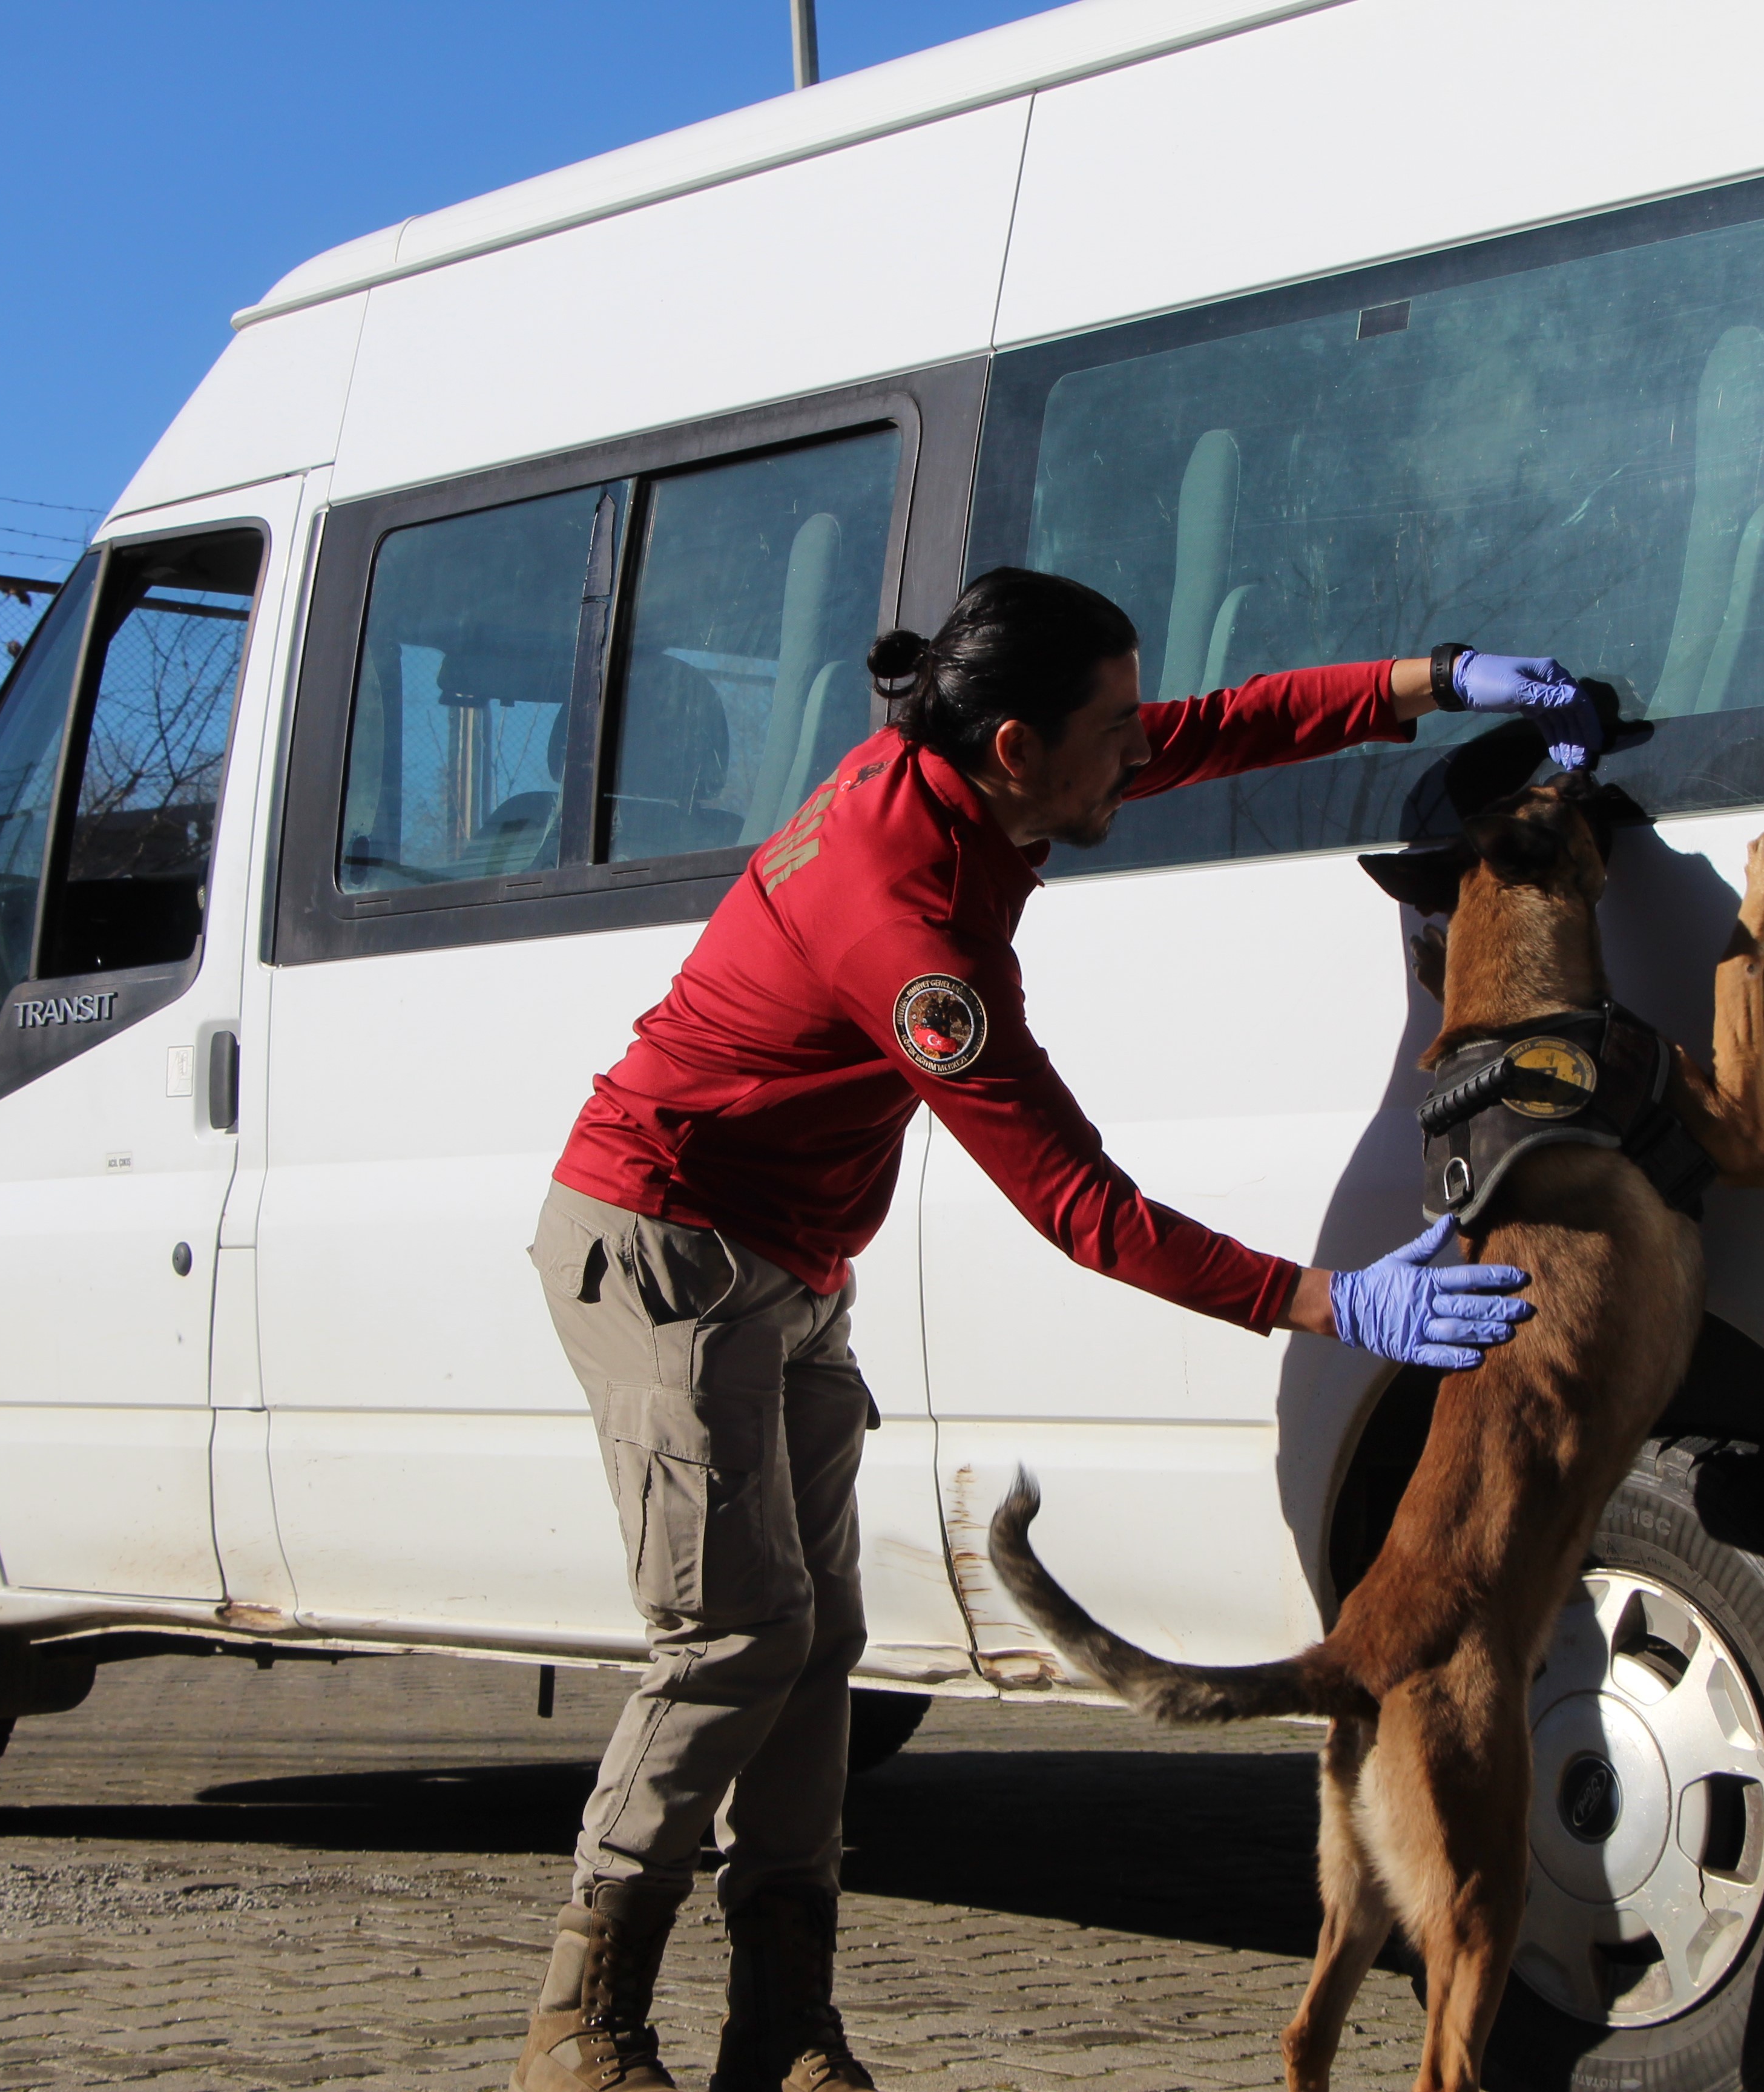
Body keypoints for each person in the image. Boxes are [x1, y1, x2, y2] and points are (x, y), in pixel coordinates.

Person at [510, 567, 1603, 2092]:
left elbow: (1228, 726)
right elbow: (1075, 1201)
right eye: (1110, 727)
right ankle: (582, 2021)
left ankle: (784, 2024)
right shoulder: (903, 922)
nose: (1137, 748)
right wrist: (1332, 1299)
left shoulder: (993, 774)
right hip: (661, 1246)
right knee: (737, 1634)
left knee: (821, 1637)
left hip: (790, 1262)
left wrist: (1435, 677)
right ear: (1019, 746)